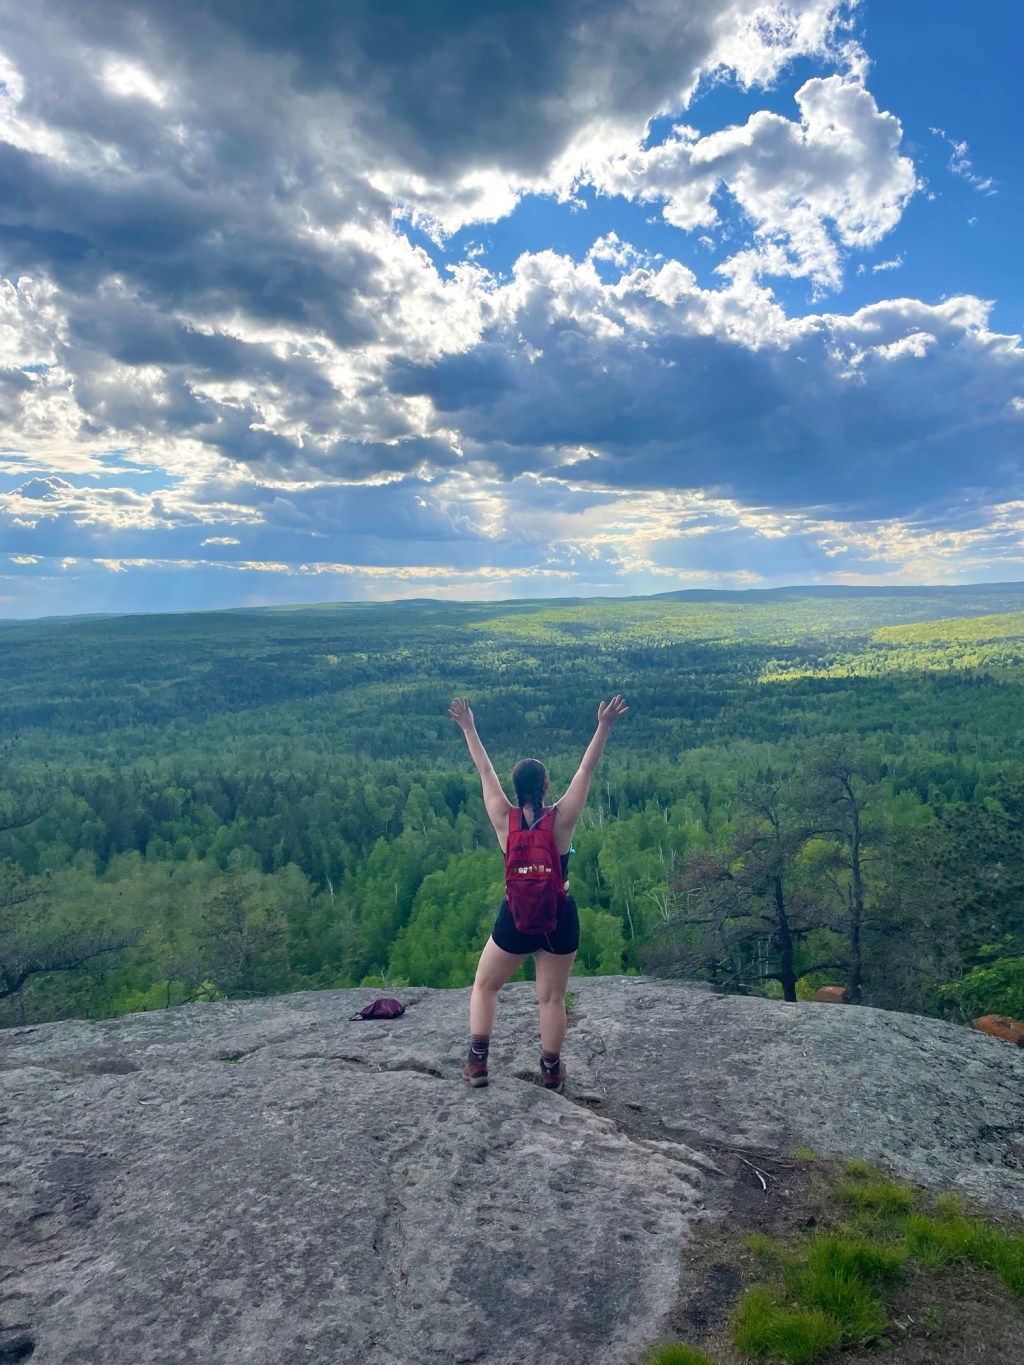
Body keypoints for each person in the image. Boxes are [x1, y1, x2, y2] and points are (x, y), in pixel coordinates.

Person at [448, 694, 629, 1093]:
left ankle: (477, 1063)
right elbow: (586, 768)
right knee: (551, 998)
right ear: (545, 786)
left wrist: (468, 727)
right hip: (559, 915)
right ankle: (550, 1070)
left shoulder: (503, 818)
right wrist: (604, 726)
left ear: (515, 789)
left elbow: (484, 769)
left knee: (485, 985)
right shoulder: (561, 820)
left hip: (515, 917)